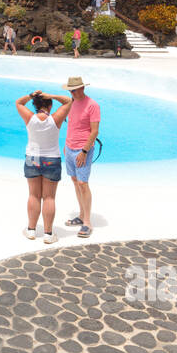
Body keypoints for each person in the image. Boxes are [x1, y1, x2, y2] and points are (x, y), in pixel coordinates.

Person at [16, 89, 72, 243]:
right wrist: (52, 95)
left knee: (33, 195)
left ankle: (31, 230)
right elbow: (68, 101)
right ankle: (48, 234)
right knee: (49, 197)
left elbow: (18, 103)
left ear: (35, 104)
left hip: (32, 158)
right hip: (51, 159)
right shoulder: (55, 119)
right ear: (50, 104)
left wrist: (30, 95)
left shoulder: (30, 118)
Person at [61, 75, 101, 238]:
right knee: (75, 181)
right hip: (69, 147)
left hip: (82, 149)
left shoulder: (92, 105)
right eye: (70, 90)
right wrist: (65, 145)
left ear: (83, 88)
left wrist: (84, 151)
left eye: (75, 90)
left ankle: (87, 222)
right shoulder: (71, 103)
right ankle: (81, 215)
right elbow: (71, 125)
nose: (72, 93)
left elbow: (94, 131)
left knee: (83, 183)